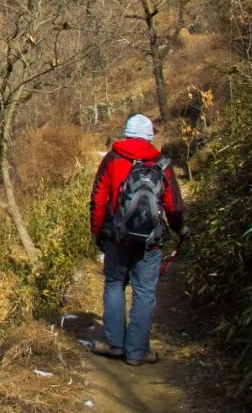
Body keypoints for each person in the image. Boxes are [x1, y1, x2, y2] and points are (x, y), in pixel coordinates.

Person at [89, 113, 185, 365]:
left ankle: (115, 345)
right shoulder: (162, 163)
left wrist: (97, 232)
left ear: (126, 133)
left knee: (114, 284)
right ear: (150, 136)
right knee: (144, 292)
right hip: (150, 242)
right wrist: (179, 229)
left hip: (116, 238)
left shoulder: (112, 159)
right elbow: (174, 207)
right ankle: (136, 352)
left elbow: (98, 200)